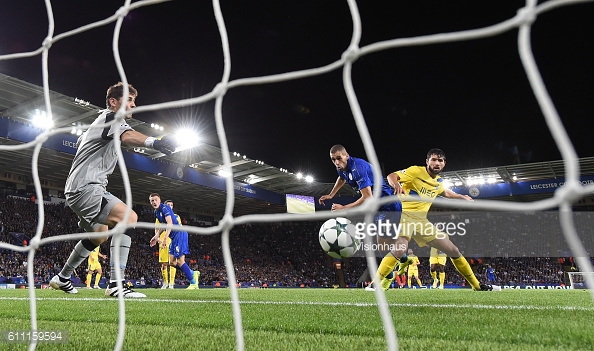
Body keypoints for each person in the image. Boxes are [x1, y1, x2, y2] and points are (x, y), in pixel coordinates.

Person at [50, 82, 178, 298]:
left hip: (76, 189)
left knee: (99, 236)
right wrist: (154, 142)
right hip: (86, 188)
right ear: (113, 102)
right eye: (129, 100)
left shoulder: (98, 125)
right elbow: (127, 136)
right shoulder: (111, 117)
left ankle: (62, 278)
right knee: (129, 217)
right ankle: (116, 284)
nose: (133, 105)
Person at [380, 148, 501, 291]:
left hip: (421, 222)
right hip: (404, 216)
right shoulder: (415, 171)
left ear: (444, 164)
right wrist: (397, 185)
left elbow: (446, 192)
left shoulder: (438, 181)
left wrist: (462, 197)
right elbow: (391, 176)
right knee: (400, 249)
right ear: (427, 161)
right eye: (434, 160)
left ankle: (477, 286)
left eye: (440, 160)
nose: (437, 163)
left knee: (453, 250)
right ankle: (379, 284)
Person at [318, 144, 402, 292]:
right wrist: (331, 194)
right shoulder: (342, 167)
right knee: (382, 243)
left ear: (346, 155)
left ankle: (385, 276)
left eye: (339, 158)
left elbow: (367, 197)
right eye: (333, 160)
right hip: (378, 208)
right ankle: (399, 262)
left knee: (384, 241)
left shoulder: (358, 167)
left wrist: (344, 208)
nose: (337, 163)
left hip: (389, 205)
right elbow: (341, 178)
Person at [149, 193, 199, 289]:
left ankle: (193, 283)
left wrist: (164, 239)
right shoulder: (156, 212)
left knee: (180, 261)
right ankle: (193, 273)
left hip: (179, 235)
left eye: (156, 200)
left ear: (160, 200)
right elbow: (163, 225)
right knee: (171, 262)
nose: (154, 202)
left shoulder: (165, 208)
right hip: (173, 238)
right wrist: (156, 236)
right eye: (152, 201)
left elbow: (169, 223)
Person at [154, 199, 178, 289]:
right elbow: (156, 229)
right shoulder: (159, 216)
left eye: (171, 205)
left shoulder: (176, 217)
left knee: (173, 263)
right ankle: (165, 283)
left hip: (173, 242)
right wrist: (159, 239)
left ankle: (171, 283)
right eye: (168, 205)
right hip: (163, 243)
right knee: (164, 264)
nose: (170, 206)